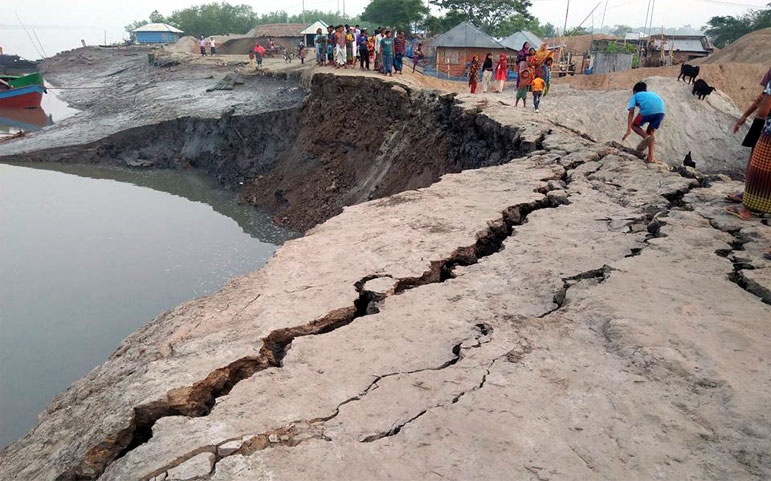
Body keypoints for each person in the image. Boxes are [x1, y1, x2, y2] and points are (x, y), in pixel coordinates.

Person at [725, 72, 771, 233]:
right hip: (763, 124)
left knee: (759, 169)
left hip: (768, 129)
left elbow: (764, 106)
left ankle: (748, 208)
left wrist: (754, 116)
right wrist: (745, 115)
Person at [622, 81, 665, 163]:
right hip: (661, 111)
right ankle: (650, 158)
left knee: (634, 125)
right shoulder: (652, 94)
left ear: (634, 91)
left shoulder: (635, 96)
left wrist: (628, 130)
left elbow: (631, 112)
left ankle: (645, 137)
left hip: (647, 111)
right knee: (650, 132)